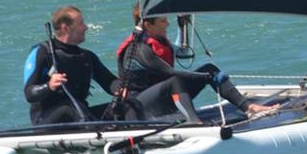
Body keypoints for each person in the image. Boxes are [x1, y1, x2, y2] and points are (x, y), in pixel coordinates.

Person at [115, 10, 273, 123]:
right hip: (138, 108)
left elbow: (183, 52)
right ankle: (194, 122)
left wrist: (182, 24)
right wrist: (205, 78)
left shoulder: (159, 41)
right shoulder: (138, 49)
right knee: (176, 80)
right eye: (163, 21)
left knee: (209, 68)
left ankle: (249, 107)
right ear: (148, 25)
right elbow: (168, 72)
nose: (167, 23)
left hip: (162, 98)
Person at [24, 5, 122, 125]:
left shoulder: (86, 56)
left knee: (124, 106)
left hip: (81, 114)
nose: (86, 27)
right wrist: (49, 86)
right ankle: (99, 133)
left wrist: (123, 89)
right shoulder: (42, 52)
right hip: (46, 119)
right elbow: (29, 93)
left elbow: (109, 82)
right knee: (70, 107)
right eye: (81, 23)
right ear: (66, 28)